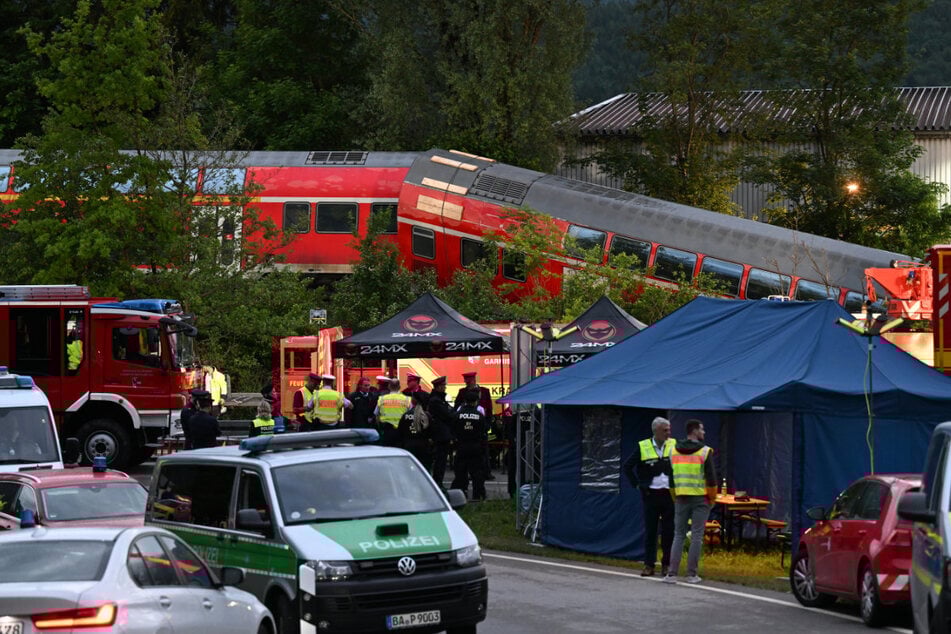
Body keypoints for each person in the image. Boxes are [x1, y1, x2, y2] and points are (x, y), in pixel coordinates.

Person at [663, 419, 717, 585]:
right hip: (700, 498)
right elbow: (711, 479)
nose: (704, 432)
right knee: (697, 536)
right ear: (694, 431)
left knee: (678, 535)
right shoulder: (705, 451)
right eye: (702, 429)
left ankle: (671, 574)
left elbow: (671, 479)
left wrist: (675, 496)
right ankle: (691, 574)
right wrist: (712, 499)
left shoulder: (673, 451)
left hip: (680, 497)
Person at [623, 416, 675, 577]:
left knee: (668, 531)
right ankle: (649, 564)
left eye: (669, 430)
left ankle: (666, 564)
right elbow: (627, 466)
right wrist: (637, 484)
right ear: (656, 431)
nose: (668, 433)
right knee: (651, 530)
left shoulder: (674, 445)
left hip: (669, 494)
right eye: (665, 430)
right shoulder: (643, 446)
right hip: (650, 494)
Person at [453, 371, 497, 481]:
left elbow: (489, 409)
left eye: (469, 382)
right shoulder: (462, 392)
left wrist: (488, 424)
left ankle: (486, 472)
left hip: (481, 425)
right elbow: (456, 407)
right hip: (466, 427)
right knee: (468, 452)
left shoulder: (485, 391)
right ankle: (467, 473)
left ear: (473, 380)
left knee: (484, 450)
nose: (467, 384)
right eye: (466, 382)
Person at [451, 388, 488, 500]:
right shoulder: (479, 415)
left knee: (460, 472)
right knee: (477, 473)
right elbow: (484, 431)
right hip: (475, 447)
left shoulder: (457, 415)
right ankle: (477, 495)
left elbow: (453, 430)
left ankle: (461, 495)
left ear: (465, 401)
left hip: (461, 447)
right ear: (476, 401)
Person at [426, 376, 456, 490]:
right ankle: (438, 482)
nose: (445, 387)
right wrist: (452, 413)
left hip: (440, 434)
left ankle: (438, 481)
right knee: (440, 461)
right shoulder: (436, 401)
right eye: (444, 386)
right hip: (440, 435)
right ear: (438, 387)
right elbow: (447, 415)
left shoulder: (438, 399)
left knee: (440, 460)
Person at [398, 392, 432, 470]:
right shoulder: (427, 415)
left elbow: (400, 431)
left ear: (413, 401)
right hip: (424, 446)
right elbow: (431, 432)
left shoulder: (406, 415)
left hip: (408, 445)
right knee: (424, 469)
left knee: (408, 469)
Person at [375, 378, 410, 446]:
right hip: (401, 432)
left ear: (389, 386)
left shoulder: (382, 399)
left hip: (386, 431)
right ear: (399, 387)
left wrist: (380, 428)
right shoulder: (407, 399)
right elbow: (410, 415)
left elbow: (376, 416)